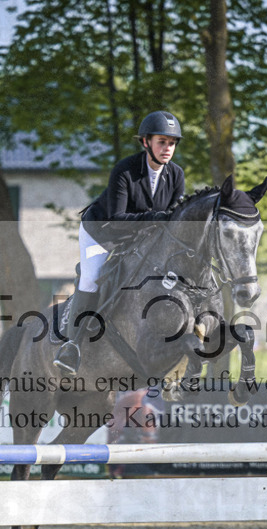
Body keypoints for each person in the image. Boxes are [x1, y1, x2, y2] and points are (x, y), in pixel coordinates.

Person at [53, 110, 186, 377]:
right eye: (162, 141)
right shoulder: (125, 170)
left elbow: (175, 220)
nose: (167, 148)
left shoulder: (176, 175)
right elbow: (117, 219)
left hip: (140, 237)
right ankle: (72, 346)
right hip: (102, 232)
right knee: (91, 278)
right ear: (146, 142)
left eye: (172, 143)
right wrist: (157, 218)